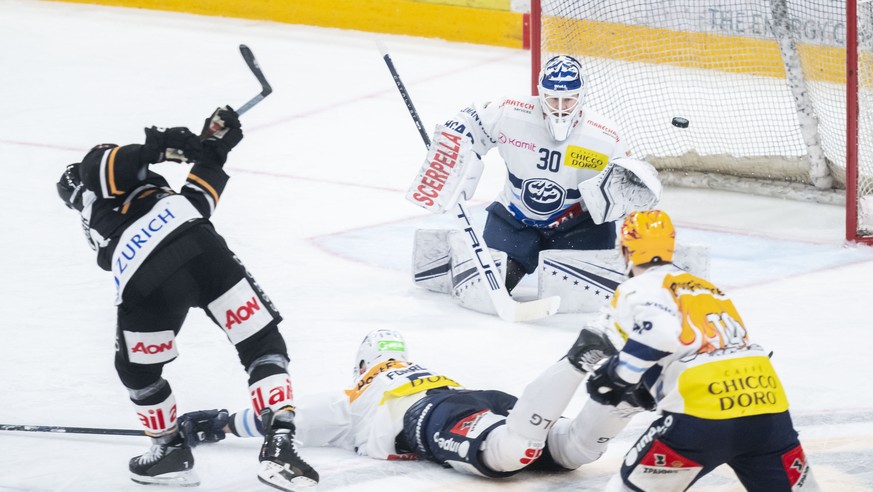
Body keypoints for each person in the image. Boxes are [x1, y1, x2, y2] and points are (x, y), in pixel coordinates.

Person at [55, 106, 318, 491]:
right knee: (261, 343)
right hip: (201, 246)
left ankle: (169, 450)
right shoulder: (94, 177)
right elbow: (105, 165)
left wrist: (210, 148)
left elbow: (185, 195)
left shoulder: (104, 205)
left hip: (145, 273)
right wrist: (165, 147)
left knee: (138, 372)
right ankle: (280, 443)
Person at [177, 327, 640, 479]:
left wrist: (222, 422)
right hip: (476, 397)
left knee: (510, 453)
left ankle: (580, 361)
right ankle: (624, 395)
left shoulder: (359, 393)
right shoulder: (422, 370)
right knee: (571, 450)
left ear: (363, 364)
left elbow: (286, 416)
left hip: (430, 415)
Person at [583, 209, 820, 491]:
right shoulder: (712, 289)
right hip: (768, 410)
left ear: (625, 250)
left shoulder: (637, 288)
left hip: (702, 416)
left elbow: (661, 333)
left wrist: (617, 374)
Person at [408, 54, 660, 294]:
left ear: (581, 96)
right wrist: (451, 149)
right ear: (540, 93)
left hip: (577, 227)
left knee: (579, 295)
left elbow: (626, 187)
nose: (560, 108)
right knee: (488, 286)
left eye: (568, 100)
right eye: (552, 99)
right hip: (515, 220)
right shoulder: (511, 111)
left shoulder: (606, 136)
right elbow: (471, 120)